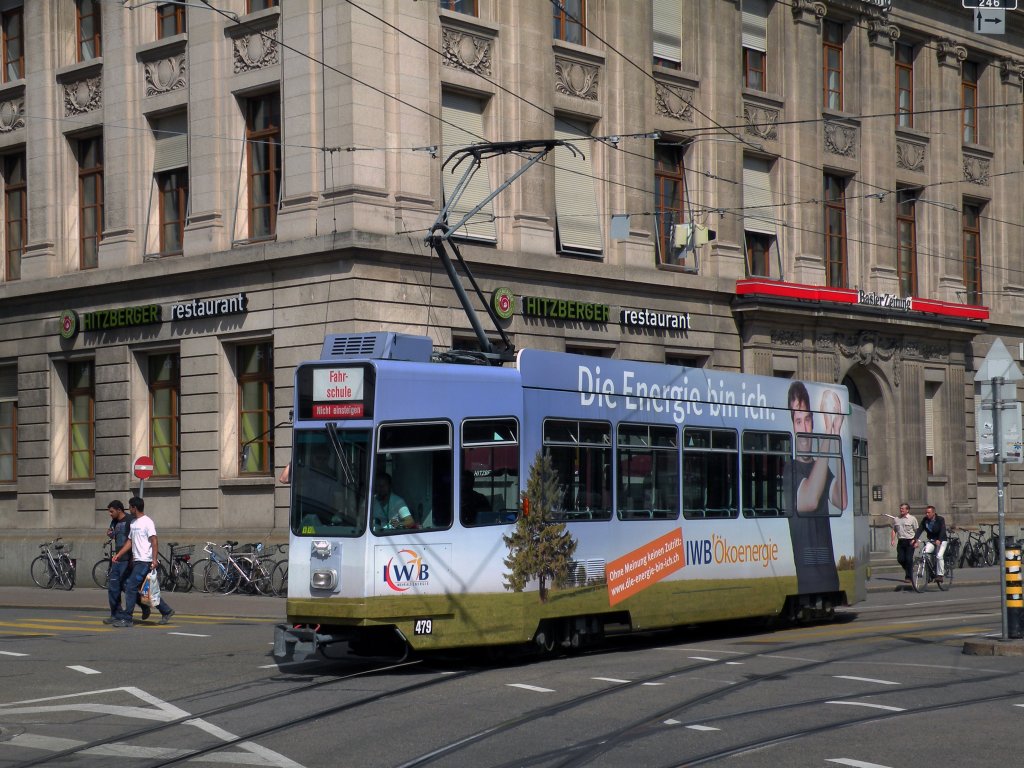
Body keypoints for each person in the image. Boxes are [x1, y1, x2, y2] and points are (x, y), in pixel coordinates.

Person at [783, 381, 846, 595]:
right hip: (808, 582)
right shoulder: (788, 469)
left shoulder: (821, 470)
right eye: (798, 421)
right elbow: (808, 500)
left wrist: (836, 436)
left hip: (829, 578)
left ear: (812, 422)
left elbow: (842, 500)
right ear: (793, 425)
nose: (804, 427)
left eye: (808, 420)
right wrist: (829, 433)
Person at [110, 496, 175, 627]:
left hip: (145, 561)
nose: (129, 509)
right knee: (145, 589)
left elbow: (154, 540)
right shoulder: (133, 523)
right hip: (137, 561)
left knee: (130, 587)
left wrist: (154, 559)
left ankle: (127, 618)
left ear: (134, 507)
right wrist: (119, 554)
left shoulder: (147, 522)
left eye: (130, 506)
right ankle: (166, 611)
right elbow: (130, 541)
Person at [102, 500, 132, 625]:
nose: (110, 514)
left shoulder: (130, 520)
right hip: (117, 559)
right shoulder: (114, 521)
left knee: (127, 587)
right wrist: (110, 533)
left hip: (127, 559)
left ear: (119, 510)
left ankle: (144, 605)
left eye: (111, 511)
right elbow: (111, 532)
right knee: (113, 587)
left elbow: (133, 539)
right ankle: (116, 614)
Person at [913, 504, 948, 582]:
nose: (927, 514)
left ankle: (940, 575)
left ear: (933, 513)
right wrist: (915, 539)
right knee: (925, 553)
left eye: (928, 513)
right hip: (932, 540)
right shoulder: (925, 520)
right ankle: (930, 574)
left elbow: (943, 530)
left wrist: (939, 539)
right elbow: (920, 530)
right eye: (926, 512)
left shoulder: (940, 519)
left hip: (941, 540)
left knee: (939, 556)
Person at [891, 502, 918, 585]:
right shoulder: (896, 519)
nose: (901, 510)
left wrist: (916, 541)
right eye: (900, 508)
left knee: (909, 559)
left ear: (907, 510)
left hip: (910, 541)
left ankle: (908, 577)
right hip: (901, 541)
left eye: (903, 508)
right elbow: (894, 530)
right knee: (900, 559)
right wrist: (892, 539)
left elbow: (917, 531)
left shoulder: (912, 519)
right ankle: (909, 569)